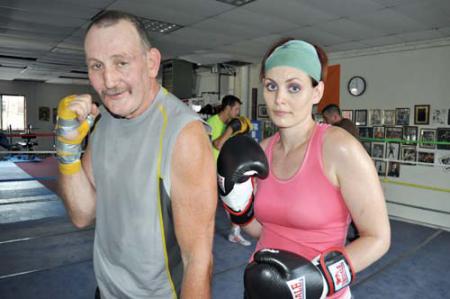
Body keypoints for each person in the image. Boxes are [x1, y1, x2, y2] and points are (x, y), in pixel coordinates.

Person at [56, 10, 216, 299]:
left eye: (121, 63)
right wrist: (67, 151)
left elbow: (198, 261)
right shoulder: (104, 120)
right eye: (96, 66)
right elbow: (82, 214)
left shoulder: (183, 135)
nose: (109, 80)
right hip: (105, 292)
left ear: (151, 63)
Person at [219, 39, 390, 298]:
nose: (279, 99)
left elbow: (378, 238)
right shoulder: (262, 151)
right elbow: (263, 232)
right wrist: (238, 210)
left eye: (294, 87)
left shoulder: (339, 148)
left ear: (317, 92)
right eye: (271, 86)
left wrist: (319, 281)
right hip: (262, 288)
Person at [206, 95, 252, 246]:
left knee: (233, 202)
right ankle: (202, 235)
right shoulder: (211, 123)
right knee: (208, 205)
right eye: (236, 109)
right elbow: (214, 145)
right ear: (228, 108)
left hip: (226, 169)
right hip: (211, 171)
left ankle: (235, 233)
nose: (238, 112)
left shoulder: (231, 125)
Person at [322, 104, 360, 242]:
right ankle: (357, 234)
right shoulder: (348, 125)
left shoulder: (340, 129)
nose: (326, 122)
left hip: (348, 171)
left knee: (346, 205)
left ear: (335, 116)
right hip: (349, 169)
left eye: (327, 119)